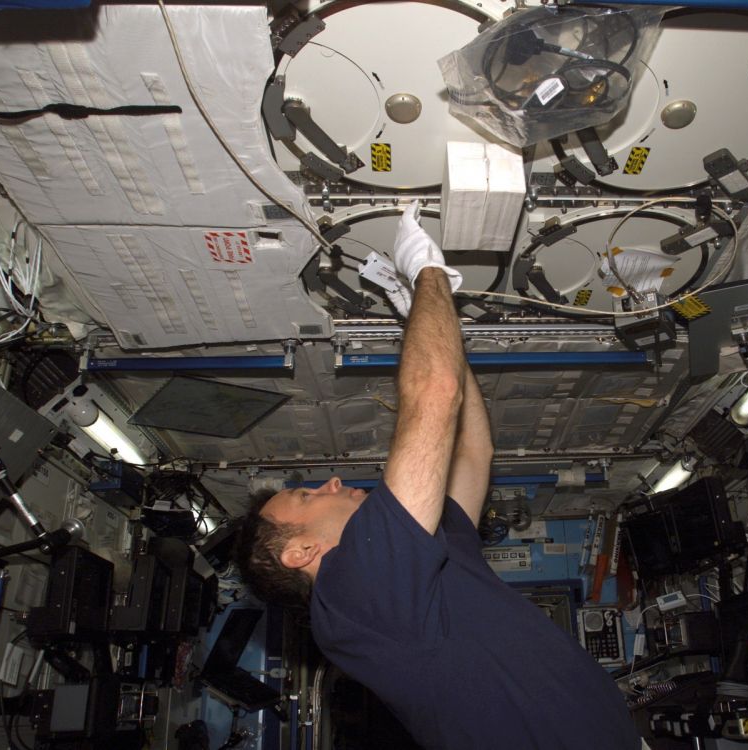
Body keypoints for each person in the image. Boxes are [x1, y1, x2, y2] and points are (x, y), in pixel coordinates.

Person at [236, 203, 640, 749]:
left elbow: (474, 449)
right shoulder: (352, 595)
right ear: (299, 552)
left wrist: (424, 322)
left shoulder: (420, 554)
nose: (330, 482)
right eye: (307, 495)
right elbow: (434, 392)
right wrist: (427, 275)